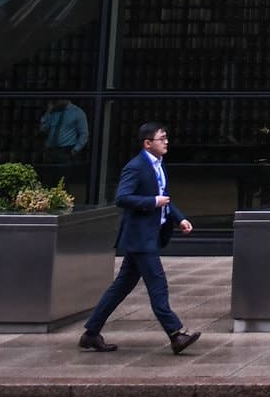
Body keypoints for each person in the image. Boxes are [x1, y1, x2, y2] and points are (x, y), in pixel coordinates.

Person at [79, 122, 200, 355]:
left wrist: (179, 218)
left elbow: (164, 197)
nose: (166, 142)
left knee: (120, 288)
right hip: (140, 238)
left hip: (148, 236)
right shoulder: (136, 167)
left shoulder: (158, 165)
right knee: (158, 285)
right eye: (161, 139)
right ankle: (176, 334)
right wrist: (152, 202)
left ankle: (91, 333)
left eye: (166, 138)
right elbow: (122, 198)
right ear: (147, 143)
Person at [38, 98, 88, 183]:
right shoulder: (53, 112)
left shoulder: (77, 112)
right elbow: (43, 129)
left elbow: (84, 134)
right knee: (48, 180)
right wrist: (48, 112)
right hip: (50, 150)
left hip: (66, 150)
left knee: (62, 181)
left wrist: (75, 150)